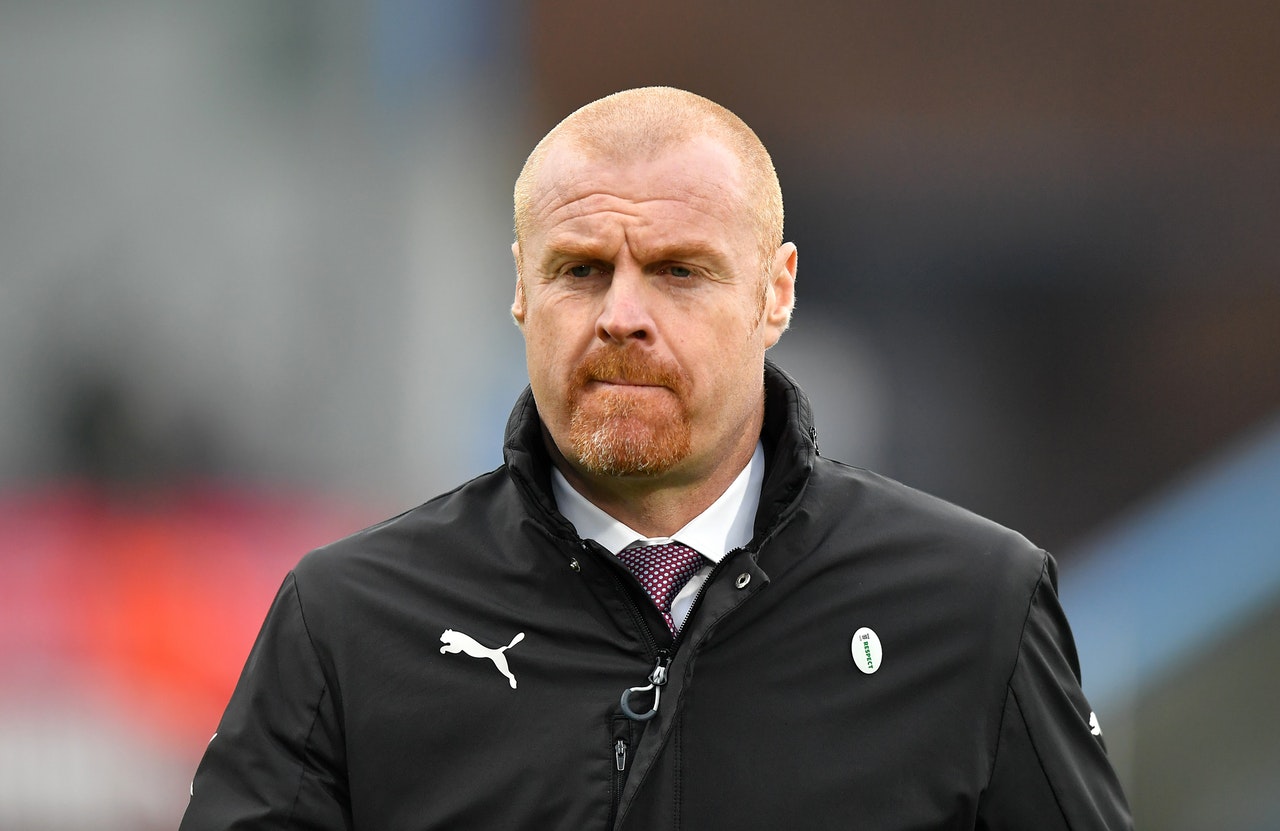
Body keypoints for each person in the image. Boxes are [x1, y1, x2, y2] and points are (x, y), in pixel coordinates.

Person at [179, 87, 1132, 830]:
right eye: (581, 269)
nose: (622, 315)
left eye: (680, 270)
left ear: (776, 293)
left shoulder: (975, 607)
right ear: (520, 289)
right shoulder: (348, 622)